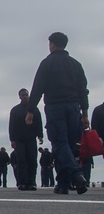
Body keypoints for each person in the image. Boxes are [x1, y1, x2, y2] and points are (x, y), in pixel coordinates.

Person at [28, 31, 90, 195]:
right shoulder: (76, 64)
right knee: (68, 145)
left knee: (60, 143)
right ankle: (62, 184)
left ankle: (77, 176)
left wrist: (30, 110)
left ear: (52, 45)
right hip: (74, 107)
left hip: (55, 108)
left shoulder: (47, 64)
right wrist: (85, 113)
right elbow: (83, 91)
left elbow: (37, 88)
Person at [7, 88, 43, 191]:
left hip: (31, 139)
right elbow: (11, 126)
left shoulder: (34, 109)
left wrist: (40, 135)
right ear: (20, 97)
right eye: (23, 95)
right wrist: (12, 139)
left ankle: (31, 182)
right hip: (19, 140)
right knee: (21, 161)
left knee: (32, 161)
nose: (25, 97)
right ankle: (21, 182)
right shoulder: (15, 110)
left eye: (26, 95)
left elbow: (39, 122)